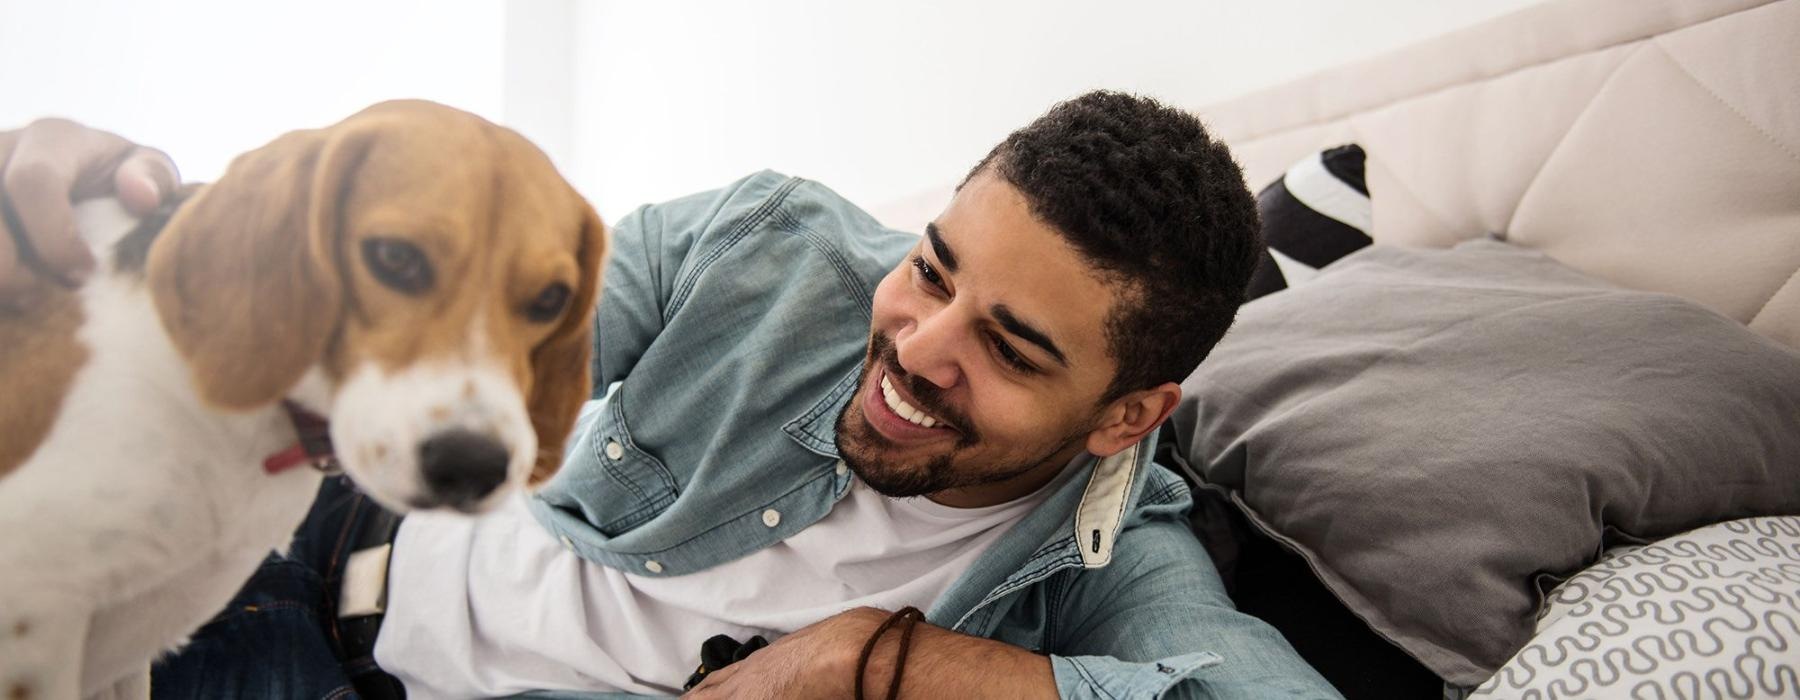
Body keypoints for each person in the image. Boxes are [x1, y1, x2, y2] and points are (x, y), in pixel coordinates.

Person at [0, 91, 1339, 699]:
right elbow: (465, 276)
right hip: (318, 528)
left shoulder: (1110, 552)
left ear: (1126, 414)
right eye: (930, 268)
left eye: (1012, 347)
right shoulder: (773, 249)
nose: (922, 344)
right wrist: (142, 213)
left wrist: (878, 664)